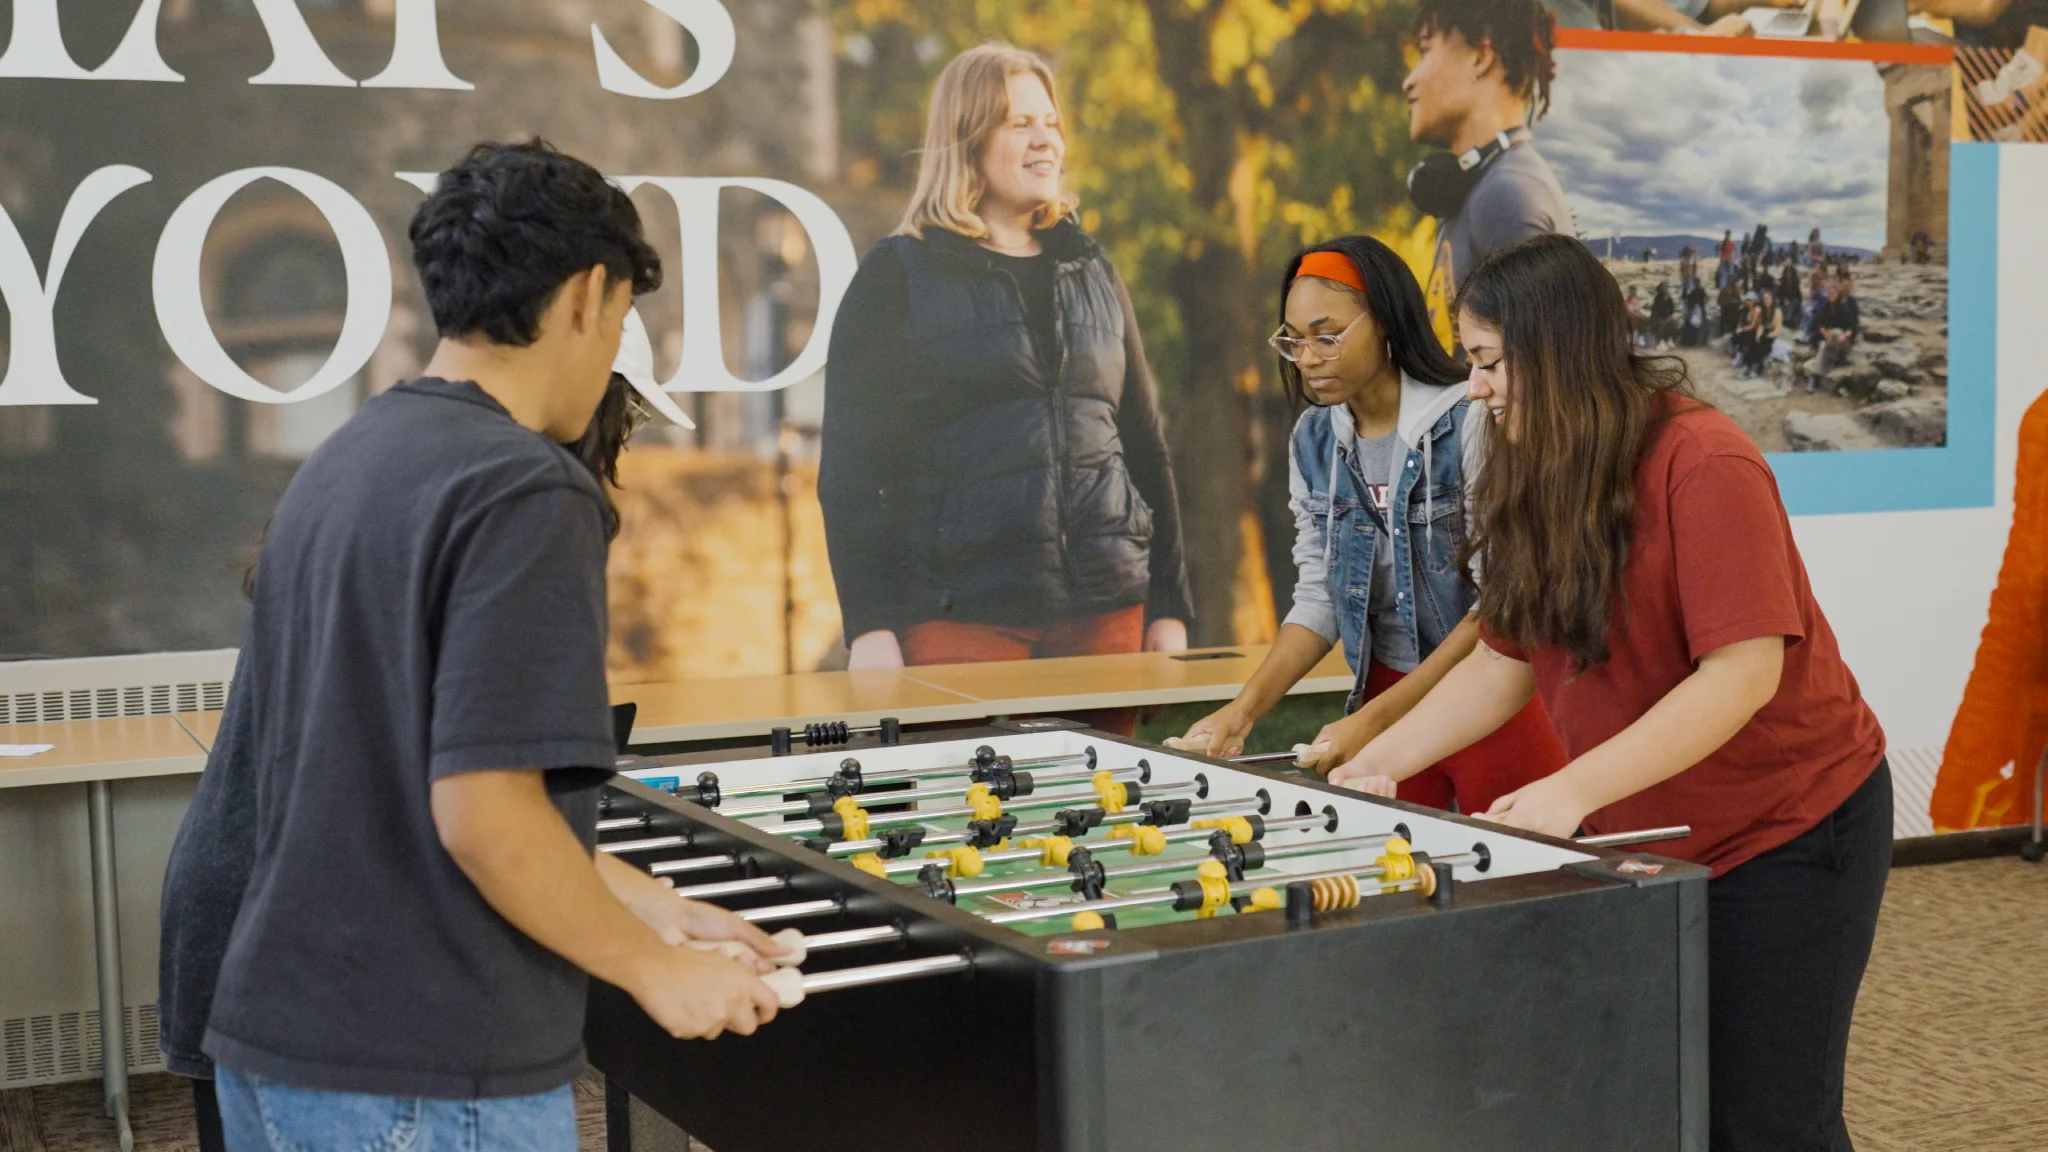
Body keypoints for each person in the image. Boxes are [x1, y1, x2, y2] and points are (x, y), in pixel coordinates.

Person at [170, 141, 788, 1152]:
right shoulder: (526, 488)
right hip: (422, 1078)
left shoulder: (348, 457)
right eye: (622, 323)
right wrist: (653, 971)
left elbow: (383, 784)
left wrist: (652, 909)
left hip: (281, 1051)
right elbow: (484, 818)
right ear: (587, 296)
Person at [1332, 233, 1890, 1152]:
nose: (1476, 387)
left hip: (1793, 830)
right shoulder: (1539, 457)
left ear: (1555, 351)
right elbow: (1505, 658)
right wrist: (1380, 761)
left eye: (1487, 362)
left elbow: (1741, 676)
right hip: (1661, 838)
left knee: (1769, 1120)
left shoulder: (1705, 461)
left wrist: (1571, 789)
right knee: (1659, 1100)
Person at [819, 44, 1191, 732]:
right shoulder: (897, 276)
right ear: (967, 140)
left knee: (1099, 819)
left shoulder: (1094, 270)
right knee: (969, 826)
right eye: (1020, 123)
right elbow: (848, 471)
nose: (1045, 138)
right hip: (960, 620)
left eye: (1050, 121)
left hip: (1106, 612)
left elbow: (1144, 445)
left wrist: (1169, 604)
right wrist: (868, 623)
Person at [1178, 237, 1565, 811]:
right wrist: (1242, 712)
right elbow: (1319, 598)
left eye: (1327, 335)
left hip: (1487, 704)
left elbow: (1498, 604)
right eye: (1294, 340)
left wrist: (1374, 722)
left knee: (1522, 883)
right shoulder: (1312, 440)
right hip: (1382, 695)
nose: (1308, 357)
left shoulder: (1473, 420)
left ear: (1384, 322)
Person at [1405, 0, 1573, 347]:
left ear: (1481, 58)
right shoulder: (1481, 186)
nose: (1410, 81)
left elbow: (1544, 379)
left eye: (1425, 51)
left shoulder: (1506, 196)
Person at [1811, 274, 1862, 386]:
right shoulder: (1825, 308)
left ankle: (1817, 375)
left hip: (1843, 341)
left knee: (1835, 334)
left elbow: (1852, 328)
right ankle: (1816, 375)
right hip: (1830, 340)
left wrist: (1843, 336)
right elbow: (1820, 323)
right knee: (1824, 346)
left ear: (1837, 294)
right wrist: (1825, 333)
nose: (1831, 296)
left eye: (1833, 294)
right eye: (1829, 294)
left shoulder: (1844, 309)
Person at [1680, 282, 1709, 348]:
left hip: (1697, 309)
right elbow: (1686, 298)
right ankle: (1690, 341)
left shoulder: (1699, 291)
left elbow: (1704, 299)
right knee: (1691, 326)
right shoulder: (1692, 291)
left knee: (1697, 326)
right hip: (1693, 309)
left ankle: (1698, 341)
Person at [1648, 281, 1677, 348]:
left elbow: (1672, 309)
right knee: (1661, 324)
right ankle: (1660, 341)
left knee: (1674, 323)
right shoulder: (1657, 298)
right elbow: (1656, 310)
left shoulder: (1669, 298)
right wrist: (1661, 318)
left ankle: (1670, 340)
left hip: (1667, 317)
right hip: (1658, 317)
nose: (1666, 288)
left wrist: (1669, 317)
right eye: (1664, 287)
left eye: (1666, 287)